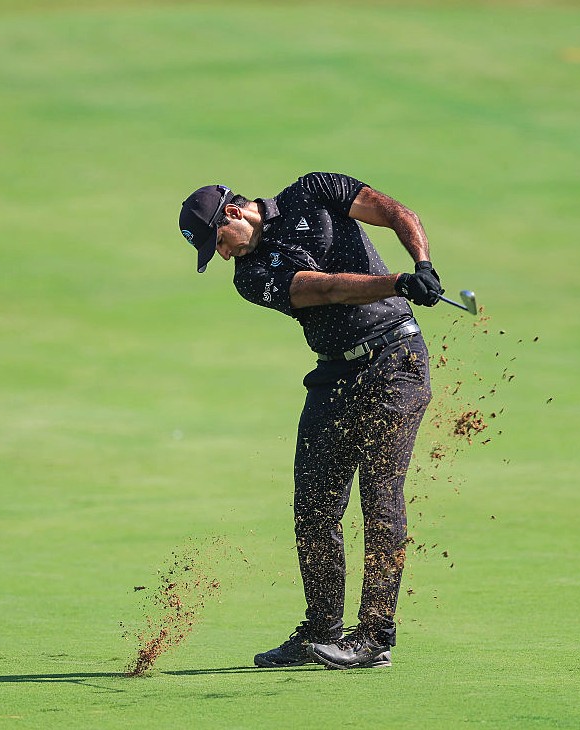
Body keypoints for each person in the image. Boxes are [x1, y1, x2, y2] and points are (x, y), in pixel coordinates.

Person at [178, 172, 444, 670]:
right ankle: (322, 630)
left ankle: (374, 638)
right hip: (334, 376)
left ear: (233, 213)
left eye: (218, 242)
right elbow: (326, 290)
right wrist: (398, 283)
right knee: (314, 505)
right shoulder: (250, 278)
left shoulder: (315, 190)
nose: (224, 255)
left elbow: (395, 213)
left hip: (396, 360)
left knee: (380, 496)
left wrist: (422, 264)